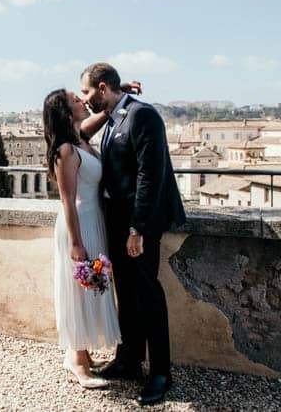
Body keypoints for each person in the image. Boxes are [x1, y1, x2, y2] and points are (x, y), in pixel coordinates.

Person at [80, 63, 186, 406]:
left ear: (100, 87)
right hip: (116, 222)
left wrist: (137, 229)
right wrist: (119, 90)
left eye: (86, 92)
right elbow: (81, 133)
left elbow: (149, 177)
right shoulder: (113, 116)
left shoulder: (143, 116)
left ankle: (160, 373)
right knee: (124, 293)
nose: (84, 99)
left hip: (138, 225)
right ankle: (128, 361)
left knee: (148, 295)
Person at [43, 88, 119, 389]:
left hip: (94, 220)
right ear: (65, 112)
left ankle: (83, 355)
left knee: (91, 288)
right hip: (78, 225)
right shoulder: (65, 150)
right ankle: (75, 360)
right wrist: (76, 244)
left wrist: (117, 93)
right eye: (76, 100)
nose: (82, 101)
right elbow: (68, 201)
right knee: (78, 291)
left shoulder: (80, 139)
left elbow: (103, 113)